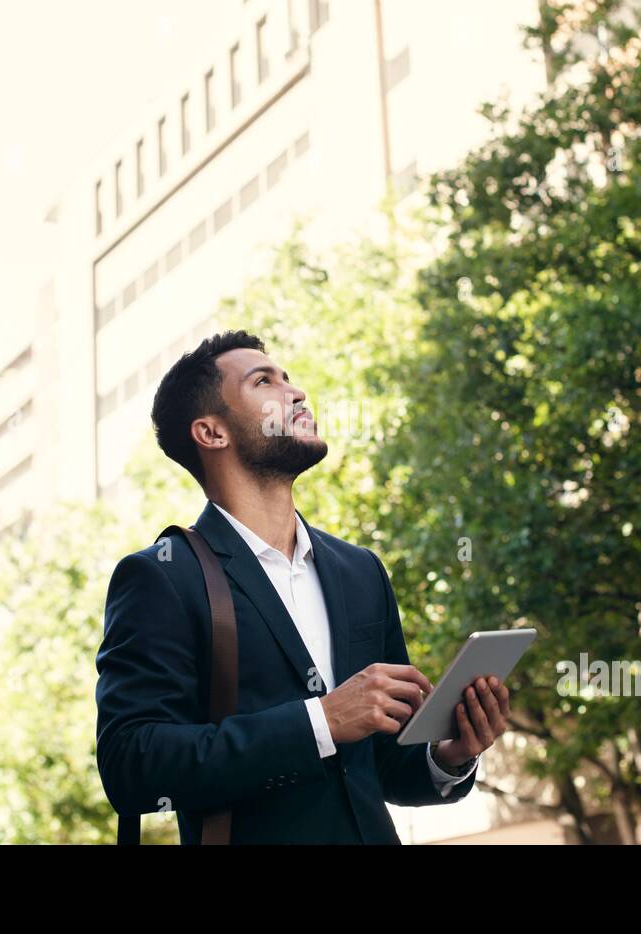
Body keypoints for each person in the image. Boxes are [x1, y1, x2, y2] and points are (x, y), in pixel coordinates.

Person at [95, 330, 509, 843]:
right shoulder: (162, 575)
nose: (295, 393)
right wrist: (321, 721)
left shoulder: (361, 571)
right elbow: (131, 765)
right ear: (211, 432)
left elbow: (381, 768)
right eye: (263, 381)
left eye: (288, 378)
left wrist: (452, 754)